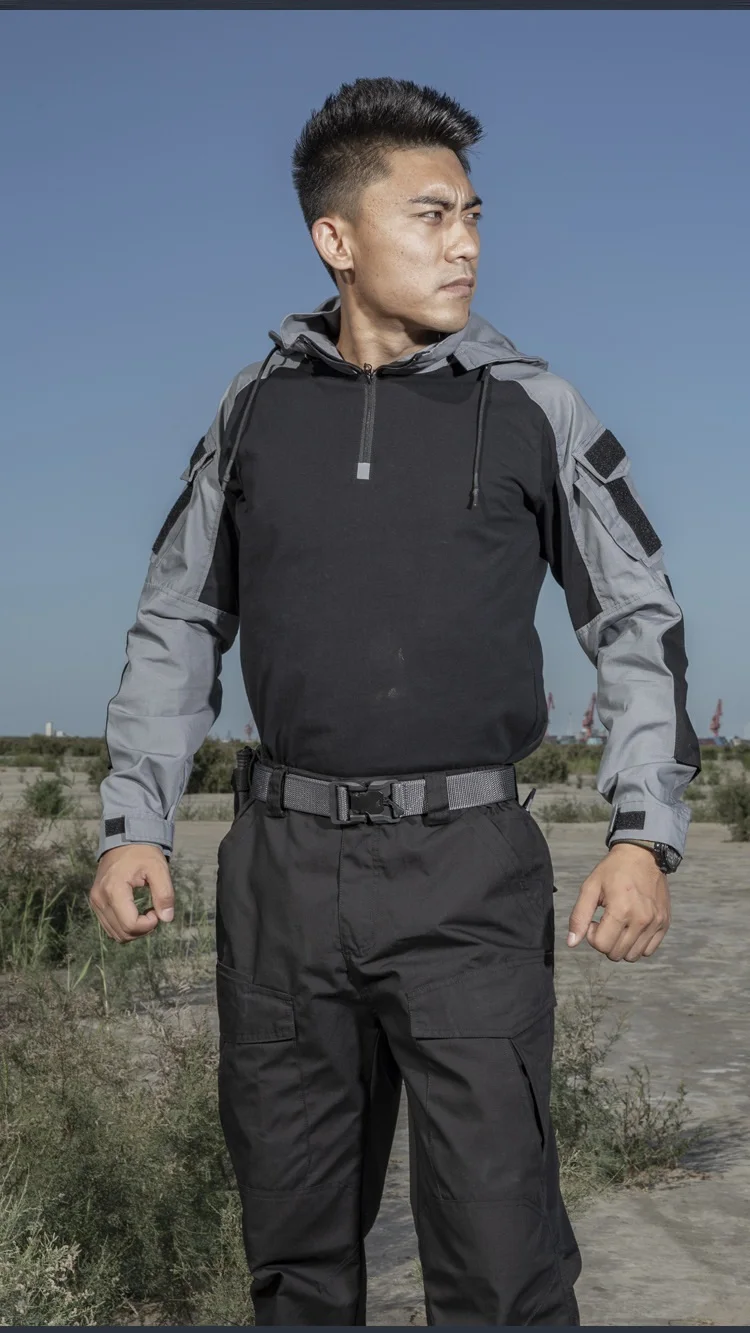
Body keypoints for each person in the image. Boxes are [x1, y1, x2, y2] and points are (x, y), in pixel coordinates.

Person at [88, 76, 701, 1326]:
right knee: (296, 1263)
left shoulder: (532, 407)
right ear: (338, 238)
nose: (465, 241)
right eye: (430, 215)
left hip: (467, 873)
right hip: (281, 876)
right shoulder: (252, 411)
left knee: (500, 1262)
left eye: (472, 214)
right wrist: (133, 821)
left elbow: (637, 621)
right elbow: (177, 621)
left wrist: (645, 833)